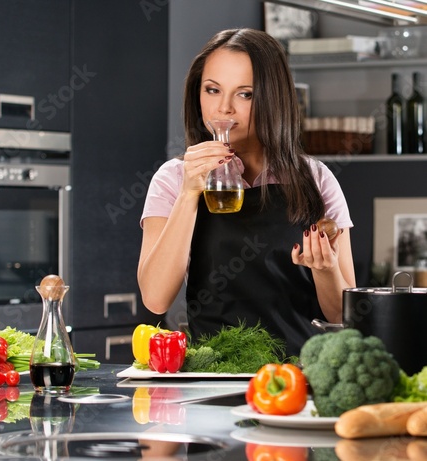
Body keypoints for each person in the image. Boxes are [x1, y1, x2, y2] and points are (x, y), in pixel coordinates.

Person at [137, 28, 356, 356]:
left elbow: (343, 313)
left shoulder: (317, 180)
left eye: (245, 94)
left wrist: (326, 269)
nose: (223, 109)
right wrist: (188, 193)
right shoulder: (172, 179)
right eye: (212, 90)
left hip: (297, 378)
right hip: (209, 378)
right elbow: (155, 299)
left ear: (273, 98)